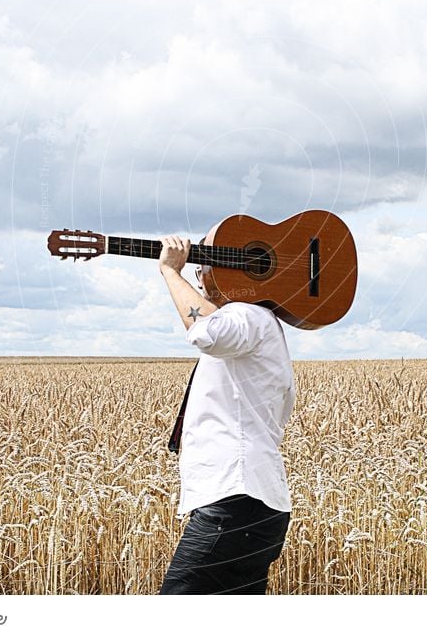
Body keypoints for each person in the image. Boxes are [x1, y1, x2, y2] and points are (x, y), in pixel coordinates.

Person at [157, 234, 295, 595]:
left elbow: (206, 332)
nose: (201, 278)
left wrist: (172, 272)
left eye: (203, 267)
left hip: (236, 501)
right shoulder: (263, 327)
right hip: (255, 505)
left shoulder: (246, 314)